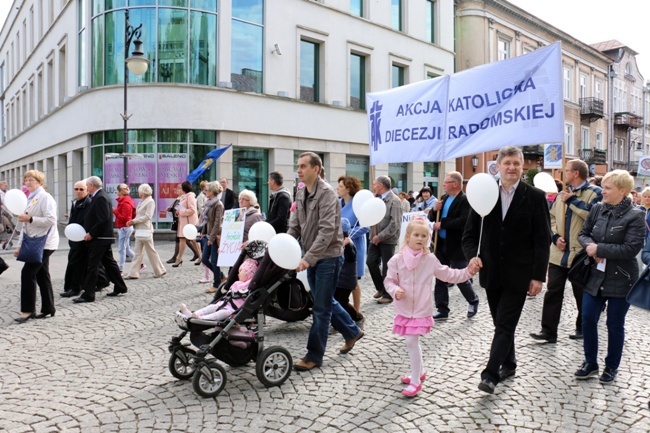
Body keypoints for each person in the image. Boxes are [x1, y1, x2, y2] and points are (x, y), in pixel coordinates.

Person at [462, 146, 551, 394]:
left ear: (523, 167)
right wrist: (472, 257)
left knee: (504, 324)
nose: (512, 167)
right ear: (498, 166)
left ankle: (490, 375)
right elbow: (469, 236)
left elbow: (542, 240)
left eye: (516, 163)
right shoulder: (484, 193)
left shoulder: (535, 197)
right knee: (500, 323)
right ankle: (509, 363)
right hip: (491, 273)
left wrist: (537, 276)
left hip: (519, 274)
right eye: (507, 163)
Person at [385, 219, 481, 397]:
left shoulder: (429, 259)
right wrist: (394, 290)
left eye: (424, 235)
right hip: (404, 308)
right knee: (413, 342)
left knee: (411, 342)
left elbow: (448, 274)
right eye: (416, 235)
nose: (420, 238)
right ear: (407, 237)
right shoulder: (396, 260)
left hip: (421, 309)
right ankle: (418, 373)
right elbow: (389, 281)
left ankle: (415, 382)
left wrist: (467, 272)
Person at [289, 152, 363, 372]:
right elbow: (295, 225)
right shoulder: (301, 192)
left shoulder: (327, 194)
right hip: (311, 256)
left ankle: (314, 356)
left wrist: (307, 259)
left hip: (329, 257)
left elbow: (327, 230)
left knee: (320, 308)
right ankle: (352, 331)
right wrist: (285, 245)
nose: (299, 170)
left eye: (303, 166)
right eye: (298, 166)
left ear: (316, 169)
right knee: (324, 300)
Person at [575, 170, 645, 383]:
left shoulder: (636, 215)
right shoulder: (597, 209)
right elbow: (583, 233)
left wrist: (599, 249)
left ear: (622, 191)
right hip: (595, 276)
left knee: (614, 324)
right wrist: (589, 247)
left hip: (622, 278)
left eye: (607, 188)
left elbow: (631, 249)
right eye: (603, 187)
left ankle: (611, 366)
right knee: (587, 318)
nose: (602, 191)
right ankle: (590, 363)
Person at [530, 159, 602, 343]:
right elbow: (551, 218)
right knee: (553, 291)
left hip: (580, 255)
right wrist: (554, 237)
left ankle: (583, 328)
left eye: (568, 170)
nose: (565, 173)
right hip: (558, 253)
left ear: (576, 173)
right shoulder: (563, 194)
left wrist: (573, 201)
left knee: (581, 294)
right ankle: (548, 332)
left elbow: (593, 216)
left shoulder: (595, 193)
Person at [428, 171, 479, 320]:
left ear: (455, 184)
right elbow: (432, 218)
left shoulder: (465, 200)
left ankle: (473, 300)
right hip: (441, 243)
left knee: (461, 276)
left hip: (457, 245)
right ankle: (442, 308)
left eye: (446, 182)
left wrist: (442, 224)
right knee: (440, 276)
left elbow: (463, 221)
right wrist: (434, 210)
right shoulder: (442, 199)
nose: (443, 185)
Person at [13, 170, 59, 322]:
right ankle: (48, 308)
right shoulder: (30, 198)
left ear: (39, 182)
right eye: (26, 180)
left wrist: (31, 219)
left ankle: (27, 310)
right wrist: (19, 245)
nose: (28, 182)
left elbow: (51, 220)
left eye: (31, 180)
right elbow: (25, 225)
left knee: (28, 273)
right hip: (33, 241)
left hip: (44, 242)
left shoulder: (45, 197)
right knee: (41, 274)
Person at [73, 176, 128, 303]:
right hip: (102, 238)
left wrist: (91, 233)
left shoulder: (100, 197)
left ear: (91, 185)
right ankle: (120, 286)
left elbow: (102, 219)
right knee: (109, 263)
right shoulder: (99, 196)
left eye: (87, 186)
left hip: (99, 238)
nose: (86, 188)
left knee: (92, 265)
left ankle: (89, 294)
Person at [180, 258, 259, 320]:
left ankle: (203, 318)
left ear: (249, 273)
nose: (238, 274)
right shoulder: (238, 283)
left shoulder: (250, 283)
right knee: (212, 307)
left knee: (222, 313)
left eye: (241, 271)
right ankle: (192, 314)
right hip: (226, 303)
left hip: (234, 309)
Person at [367, 175, 403, 304]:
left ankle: (389, 293)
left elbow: (395, 224)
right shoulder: (375, 199)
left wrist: (380, 236)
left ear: (381, 186)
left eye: (375, 184)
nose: (373, 186)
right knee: (370, 262)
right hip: (374, 238)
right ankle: (381, 287)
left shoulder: (395, 200)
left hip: (388, 239)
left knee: (387, 267)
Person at [336, 175, 368, 319]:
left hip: (354, 246)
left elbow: (365, 226)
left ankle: (355, 311)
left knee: (354, 280)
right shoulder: (338, 203)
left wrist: (349, 236)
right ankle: (346, 310)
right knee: (341, 280)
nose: (338, 189)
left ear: (348, 188)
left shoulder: (358, 204)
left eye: (340, 187)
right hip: (338, 246)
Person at [124, 184, 167, 279]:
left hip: (145, 230)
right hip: (140, 230)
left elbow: (148, 216)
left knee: (151, 251)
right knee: (137, 253)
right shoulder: (142, 201)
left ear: (143, 192)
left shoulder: (150, 202)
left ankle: (160, 270)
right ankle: (133, 273)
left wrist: (134, 221)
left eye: (139, 191)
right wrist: (133, 221)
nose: (138, 192)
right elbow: (139, 215)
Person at [61, 181, 92, 297]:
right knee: (74, 261)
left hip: (82, 238)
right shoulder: (75, 202)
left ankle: (75, 288)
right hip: (74, 237)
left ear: (87, 191)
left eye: (81, 189)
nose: (78, 191)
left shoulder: (88, 203)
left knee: (76, 263)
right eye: (76, 189)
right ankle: (72, 286)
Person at [334, 218, 364, 325]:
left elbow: (350, 259)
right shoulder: (340, 244)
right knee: (336, 301)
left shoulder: (349, 245)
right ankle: (338, 322)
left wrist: (342, 245)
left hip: (346, 281)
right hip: (339, 280)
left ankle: (358, 317)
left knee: (343, 302)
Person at [198, 181, 225, 294]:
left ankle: (216, 284)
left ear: (213, 192)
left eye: (207, 190)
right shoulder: (209, 203)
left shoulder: (218, 205)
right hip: (208, 235)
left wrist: (211, 238)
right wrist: (203, 232)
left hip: (215, 236)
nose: (205, 192)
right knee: (204, 259)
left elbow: (217, 224)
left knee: (214, 261)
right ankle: (221, 276)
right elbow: (207, 220)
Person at [173, 181, 201, 267]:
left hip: (190, 223)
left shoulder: (190, 197)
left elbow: (192, 210)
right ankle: (179, 258)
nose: (179, 189)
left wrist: (181, 212)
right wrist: (178, 212)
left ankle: (200, 256)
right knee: (182, 240)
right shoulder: (182, 197)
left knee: (193, 240)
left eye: (181, 188)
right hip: (184, 222)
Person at [113, 183, 136, 273]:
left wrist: (115, 211)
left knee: (122, 249)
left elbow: (126, 218)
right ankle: (140, 263)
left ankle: (120, 269)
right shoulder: (125, 201)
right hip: (124, 227)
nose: (116, 192)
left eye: (117, 191)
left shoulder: (125, 202)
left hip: (125, 227)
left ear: (120, 192)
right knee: (126, 248)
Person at [165, 190, 181, 264]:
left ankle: (175, 257)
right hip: (177, 220)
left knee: (180, 239)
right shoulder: (177, 199)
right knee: (185, 240)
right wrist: (170, 209)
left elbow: (182, 209)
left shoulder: (183, 199)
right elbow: (175, 208)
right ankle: (198, 254)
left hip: (181, 221)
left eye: (179, 189)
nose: (177, 190)